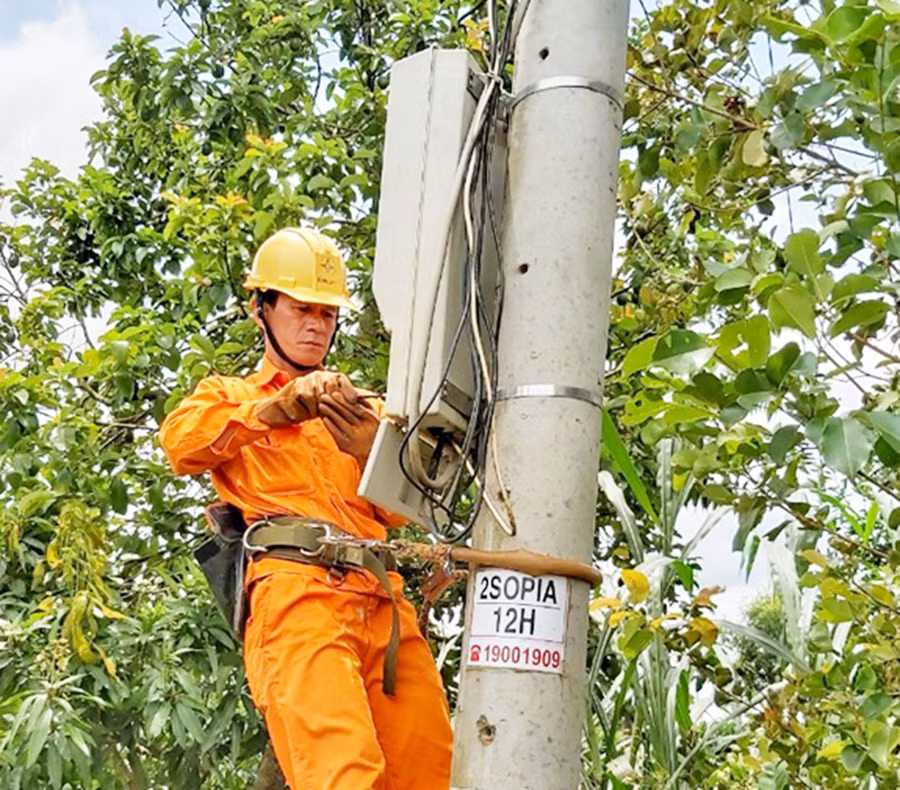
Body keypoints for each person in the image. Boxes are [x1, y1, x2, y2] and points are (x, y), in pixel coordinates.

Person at [159, 226, 453, 790]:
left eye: (326, 312)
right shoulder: (232, 396)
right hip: (297, 597)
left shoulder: (361, 408)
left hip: (382, 602)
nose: (316, 325)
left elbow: (408, 506)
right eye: (300, 309)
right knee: (344, 777)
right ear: (260, 309)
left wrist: (377, 451)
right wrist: (274, 410)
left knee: (431, 774)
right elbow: (181, 445)